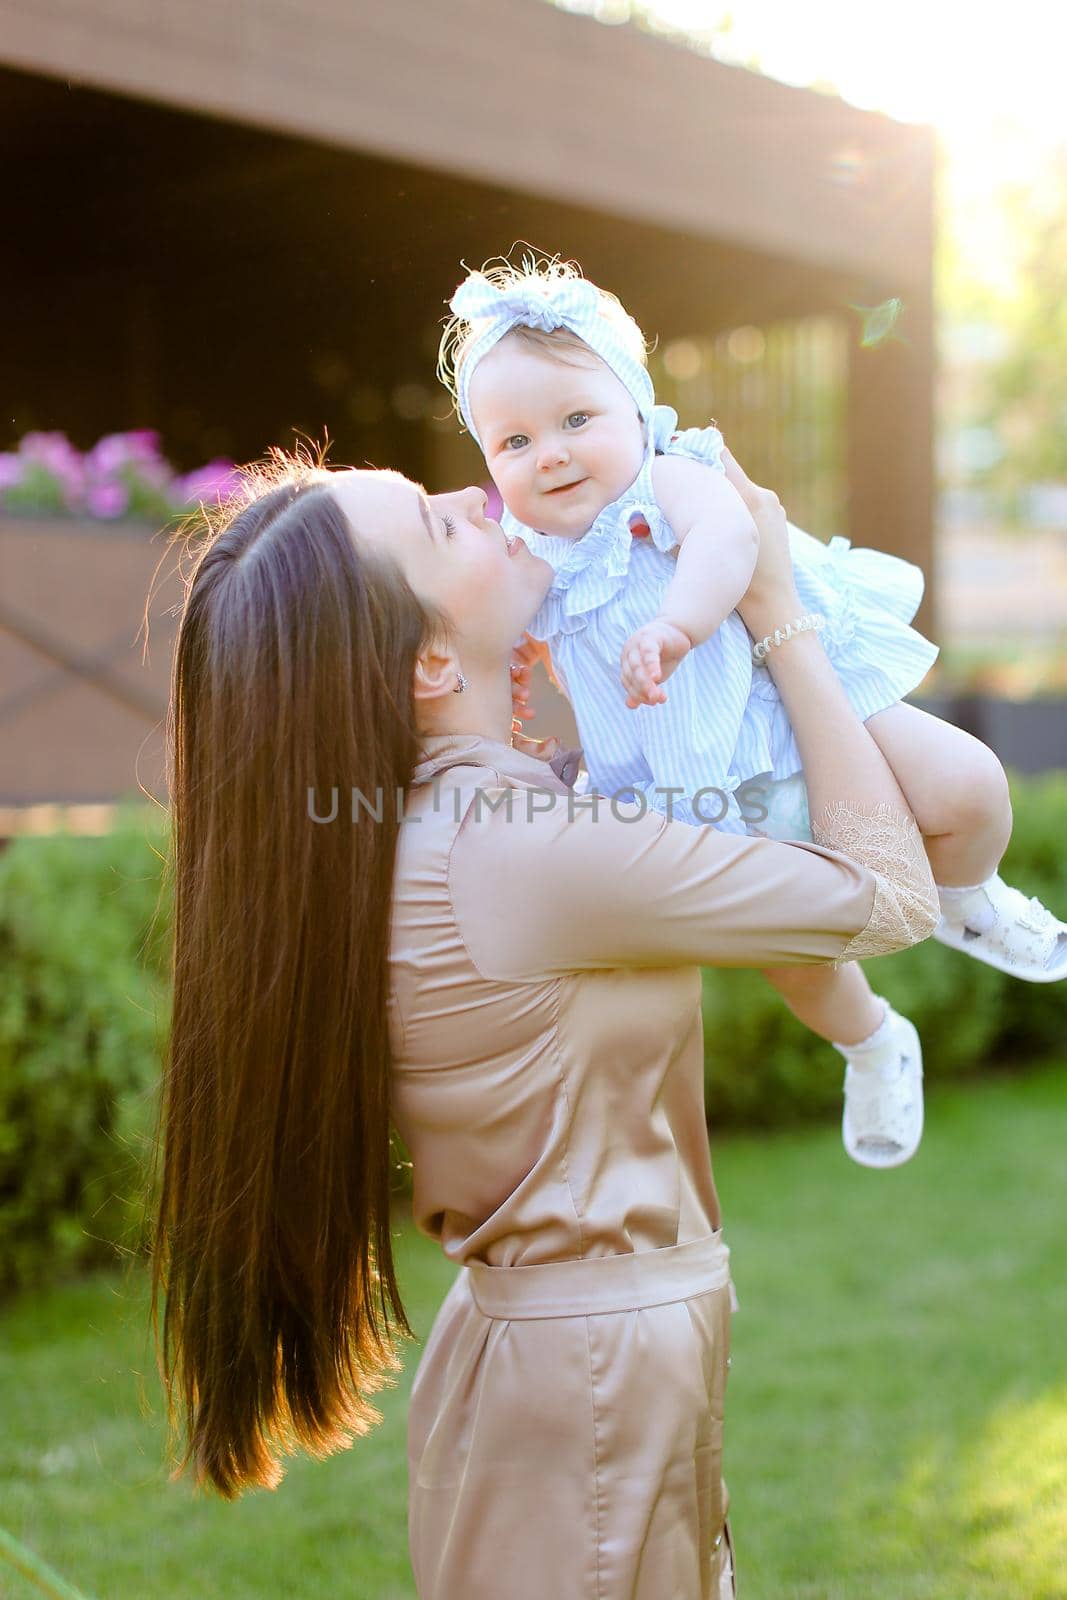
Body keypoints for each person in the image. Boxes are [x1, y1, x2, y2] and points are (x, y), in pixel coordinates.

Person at [150, 443, 940, 1597]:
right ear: (426, 659)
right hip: (589, 1379)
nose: (483, 497)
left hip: (564, 1363)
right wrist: (776, 609)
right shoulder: (514, 854)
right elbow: (886, 892)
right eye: (440, 524)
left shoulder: (440, 825)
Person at [436, 251, 1067, 1171]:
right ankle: (873, 1044)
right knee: (795, 956)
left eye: (577, 419)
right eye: (515, 443)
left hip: (789, 696)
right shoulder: (530, 551)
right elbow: (506, 631)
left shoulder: (669, 476)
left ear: (635, 408)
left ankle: (969, 896)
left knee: (967, 783)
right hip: (688, 780)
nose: (553, 453)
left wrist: (677, 624)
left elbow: (731, 540)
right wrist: (517, 667)